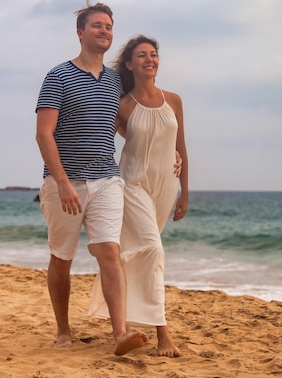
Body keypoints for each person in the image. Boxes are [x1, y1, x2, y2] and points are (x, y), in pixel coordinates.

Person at [35, 2, 148, 356]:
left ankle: (119, 333)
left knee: (109, 252)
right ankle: (64, 330)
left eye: (109, 26)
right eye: (97, 25)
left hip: (107, 179)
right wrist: (64, 183)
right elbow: (43, 134)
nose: (105, 31)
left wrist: (167, 153)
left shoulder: (117, 81)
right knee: (62, 258)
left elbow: (126, 128)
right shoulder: (58, 76)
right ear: (80, 32)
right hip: (63, 184)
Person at [89, 35, 189, 358]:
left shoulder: (174, 100)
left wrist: (185, 190)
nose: (150, 59)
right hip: (132, 183)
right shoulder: (123, 104)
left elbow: (180, 148)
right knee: (152, 250)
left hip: (165, 187)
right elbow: (106, 139)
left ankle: (127, 321)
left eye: (154, 54)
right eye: (142, 55)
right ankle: (163, 334)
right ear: (129, 64)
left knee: (142, 255)